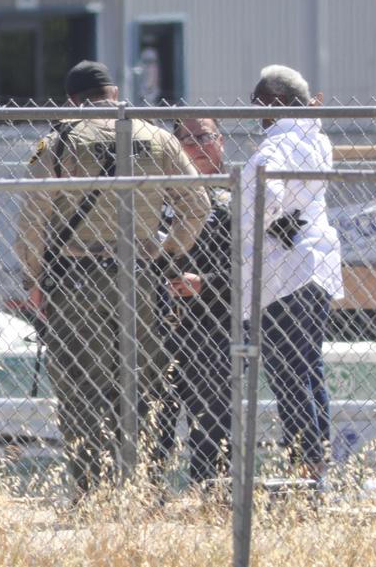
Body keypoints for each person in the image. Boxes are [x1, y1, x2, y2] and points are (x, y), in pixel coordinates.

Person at [15, 60, 209, 495]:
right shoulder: (156, 137)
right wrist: (164, 251)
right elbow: (197, 204)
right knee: (141, 384)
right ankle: (141, 486)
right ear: (114, 91)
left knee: (81, 386)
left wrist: (33, 279)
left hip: (75, 278)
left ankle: (90, 492)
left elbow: (32, 222)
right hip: (139, 275)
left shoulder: (59, 142)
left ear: (72, 100)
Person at [241, 65, 343, 481]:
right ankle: (319, 461)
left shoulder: (276, 147)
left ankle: (306, 464)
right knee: (308, 366)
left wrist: (265, 221)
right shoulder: (317, 139)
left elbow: (256, 203)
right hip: (319, 263)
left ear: (277, 104)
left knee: (286, 372)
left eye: (260, 106)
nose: (256, 117)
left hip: (285, 270)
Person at [155, 118, 233, 485]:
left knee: (213, 421)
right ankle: (148, 492)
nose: (198, 144)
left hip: (214, 325)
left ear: (220, 141)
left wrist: (206, 284)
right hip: (161, 325)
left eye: (206, 136)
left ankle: (211, 495)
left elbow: (255, 271)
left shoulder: (241, 196)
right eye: (188, 138)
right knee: (155, 419)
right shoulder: (156, 194)